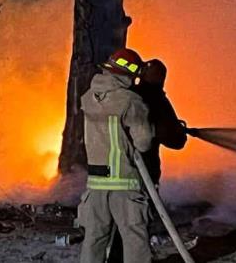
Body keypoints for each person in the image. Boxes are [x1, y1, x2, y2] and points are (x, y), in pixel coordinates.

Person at [107, 58, 192, 263]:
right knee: (136, 223)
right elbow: (176, 141)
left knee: (118, 222)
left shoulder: (127, 96)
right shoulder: (157, 102)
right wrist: (173, 130)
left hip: (116, 169)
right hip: (143, 173)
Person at [78, 48, 155, 263]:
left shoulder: (88, 98)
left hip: (95, 184)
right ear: (128, 74)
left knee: (94, 239)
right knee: (134, 239)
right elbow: (144, 142)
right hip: (124, 183)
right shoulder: (130, 101)